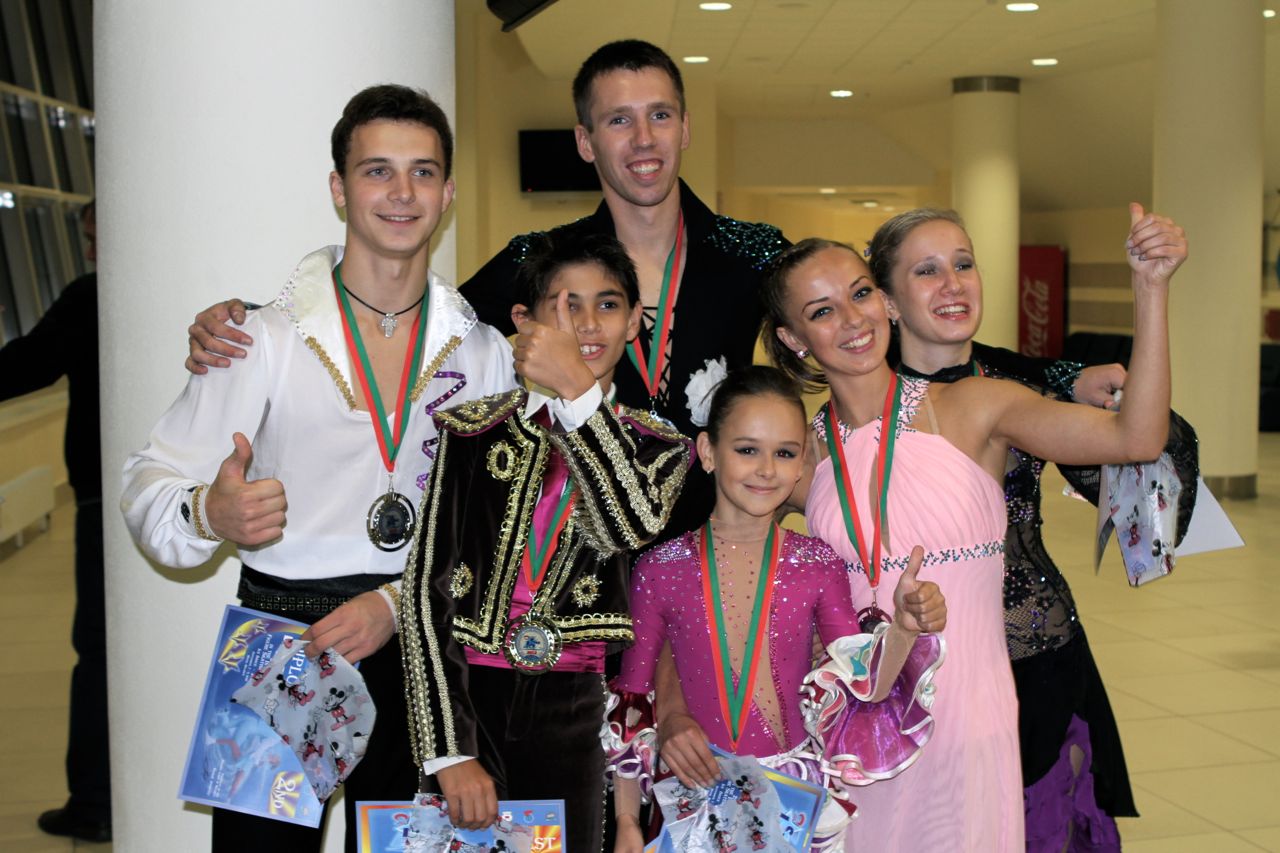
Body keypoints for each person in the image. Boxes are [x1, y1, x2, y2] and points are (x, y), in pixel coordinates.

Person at [120, 85, 516, 853]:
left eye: (423, 172)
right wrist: (208, 513)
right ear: (339, 188)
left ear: (448, 193)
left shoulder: (482, 352)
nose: (401, 192)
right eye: (376, 171)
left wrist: (395, 604)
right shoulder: (259, 339)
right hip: (284, 636)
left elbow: (493, 528)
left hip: (423, 644)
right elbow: (147, 480)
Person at [183, 39, 788, 539]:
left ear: (684, 127)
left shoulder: (751, 255)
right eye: (618, 120)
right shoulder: (542, 261)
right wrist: (262, 318)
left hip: (721, 550)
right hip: (587, 565)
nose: (644, 139)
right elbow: (421, 317)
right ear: (585, 141)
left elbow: (829, 326)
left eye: (659, 115)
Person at [760, 205, 1185, 851]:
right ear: (794, 339)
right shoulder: (803, 452)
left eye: (860, 294)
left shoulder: (976, 406)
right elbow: (729, 564)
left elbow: (1137, 437)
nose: (852, 320)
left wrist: (1150, 289)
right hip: (864, 731)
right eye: (822, 311)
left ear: (887, 304)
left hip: (971, 716)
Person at [399, 227, 691, 853]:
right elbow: (425, 592)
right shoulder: (472, 432)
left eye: (607, 304)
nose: (585, 323)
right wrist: (448, 749)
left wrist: (579, 393)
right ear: (524, 323)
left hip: (575, 705)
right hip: (470, 695)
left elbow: (627, 526)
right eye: (565, 305)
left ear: (634, 322)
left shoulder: (657, 446)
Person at [605, 366, 948, 853]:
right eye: (747, 450)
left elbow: (862, 687)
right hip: (692, 804)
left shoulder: (819, 565)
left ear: (802, 462)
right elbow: (632, 701)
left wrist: (905, 632)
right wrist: (626, 823)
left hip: (794, 802)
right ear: (708, 452)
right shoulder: (659, 569)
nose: (766, 469)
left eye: (784, 453)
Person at [0, 201, 111, 842]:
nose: (90, 252)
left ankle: (94, 801)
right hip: (186, 498)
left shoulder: (91, 297)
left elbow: (26, 365)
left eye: (96, 238)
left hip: (104, 503)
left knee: (96, 650)